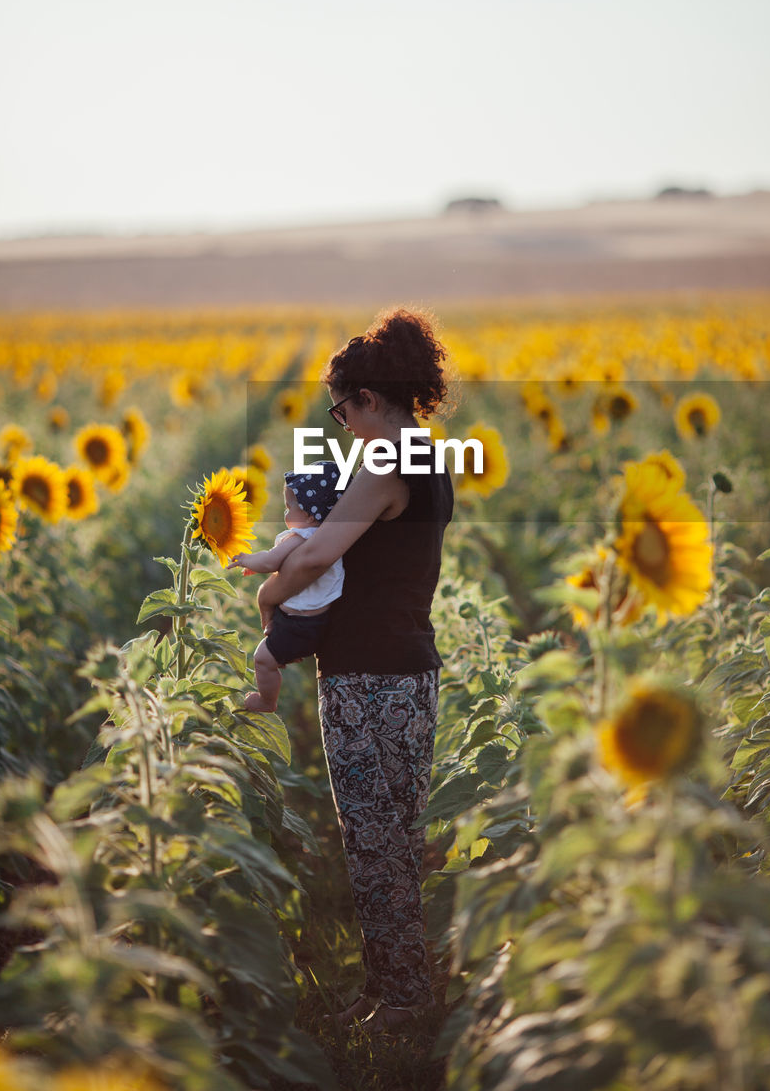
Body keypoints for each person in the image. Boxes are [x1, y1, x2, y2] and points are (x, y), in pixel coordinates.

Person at [255, 307, 454, 1036]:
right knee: (388, 840)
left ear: (368, 399)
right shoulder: (426, 456)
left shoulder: (385, 460)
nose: (340, 428)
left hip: (369, 673)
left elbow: (313, 557)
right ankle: (393, 989)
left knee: (375, 842)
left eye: (341, 412)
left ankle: (401, 1001)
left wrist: (267, 594)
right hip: (404, 666)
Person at [231, 463, 344, 713]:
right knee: (274, 650)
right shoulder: (332, 540)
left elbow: (271, 560)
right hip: (321, 621)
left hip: (298, 623)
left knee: (262, 659)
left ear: (311, 514)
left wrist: (247, 559)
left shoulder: (300, 538)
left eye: (289, 506)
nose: (285, 514)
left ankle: (266, 701)